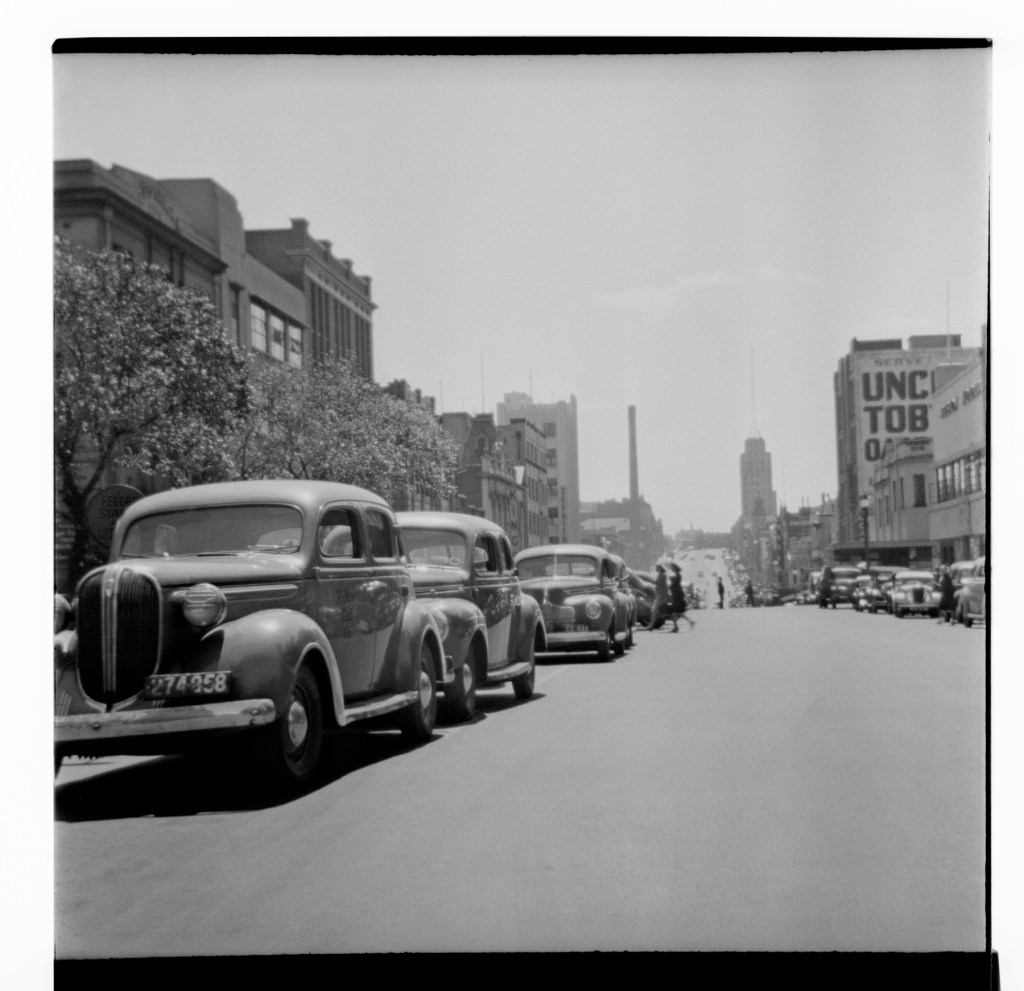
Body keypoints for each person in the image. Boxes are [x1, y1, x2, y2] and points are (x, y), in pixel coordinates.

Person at [668, 562, 695, 630]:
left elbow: (674, 583)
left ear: (675, 568)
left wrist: (670, 580)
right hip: (677, 595)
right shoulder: (677, 575)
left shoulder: (677, 575)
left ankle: (676, 627)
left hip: (677, 596)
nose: (671, 569)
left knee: (675, 612)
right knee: (678, 612)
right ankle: (689, 622)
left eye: (672, 568)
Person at [648, 563, 669, 631]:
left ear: (660, 568)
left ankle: (651, 625)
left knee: (654, 610)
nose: (655, 569)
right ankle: (651, 625)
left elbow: (665, 586)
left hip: (661, 596)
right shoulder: (659, 575)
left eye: (656, 568)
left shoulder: (663, 575)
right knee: (655, 611)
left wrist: (665, 596)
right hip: (658, 595)